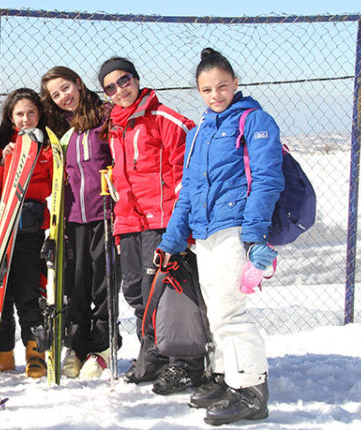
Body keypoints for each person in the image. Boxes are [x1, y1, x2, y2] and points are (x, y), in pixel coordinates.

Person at [156, 48, 283, 425]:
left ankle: (251, 392)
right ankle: (229, 378)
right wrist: (171, 241)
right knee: (216, 311)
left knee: (231, 311)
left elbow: (266, 179)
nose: (216, 95)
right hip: (205, 232)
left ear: (235, 84)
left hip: (236, 228)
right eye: (207, 89)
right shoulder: (200, 133)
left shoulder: (255, 120)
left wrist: (255, 233)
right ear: (198, 91)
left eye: (222, 86)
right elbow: (189, 191)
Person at [98, 57, 204, 394]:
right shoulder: (114, 124)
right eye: (110, 87)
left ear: (136, 79)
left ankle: (184, 360)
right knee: (134, 290)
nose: (119, 90)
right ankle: (154, 352)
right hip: (130, 220)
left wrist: (181, 222)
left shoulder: (164, 118)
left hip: (162, 221)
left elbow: (186, 168)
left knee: (166, 291)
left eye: (124, 81)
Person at [40, 66, 117, 379]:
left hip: (105, 213)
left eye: (65, 88)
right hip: (72, 217)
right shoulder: (57, 127)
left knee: (104, 282)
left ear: (78, 83)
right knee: (76, 283)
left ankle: (101, 348)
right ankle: (76, 345)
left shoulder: (106, 115)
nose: (63, 97)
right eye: (56, 95)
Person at [0, 88, 53, 378]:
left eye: (31, 113)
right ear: (10, 117)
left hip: (30, 228)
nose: (25, 119)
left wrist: (31, 162)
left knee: (28, 290)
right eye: (19, 114)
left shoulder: (47, 147)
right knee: (0, 292)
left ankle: (35, 352)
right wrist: (3, 163)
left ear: (39, 115)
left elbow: (48, 188)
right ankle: (2, 352)